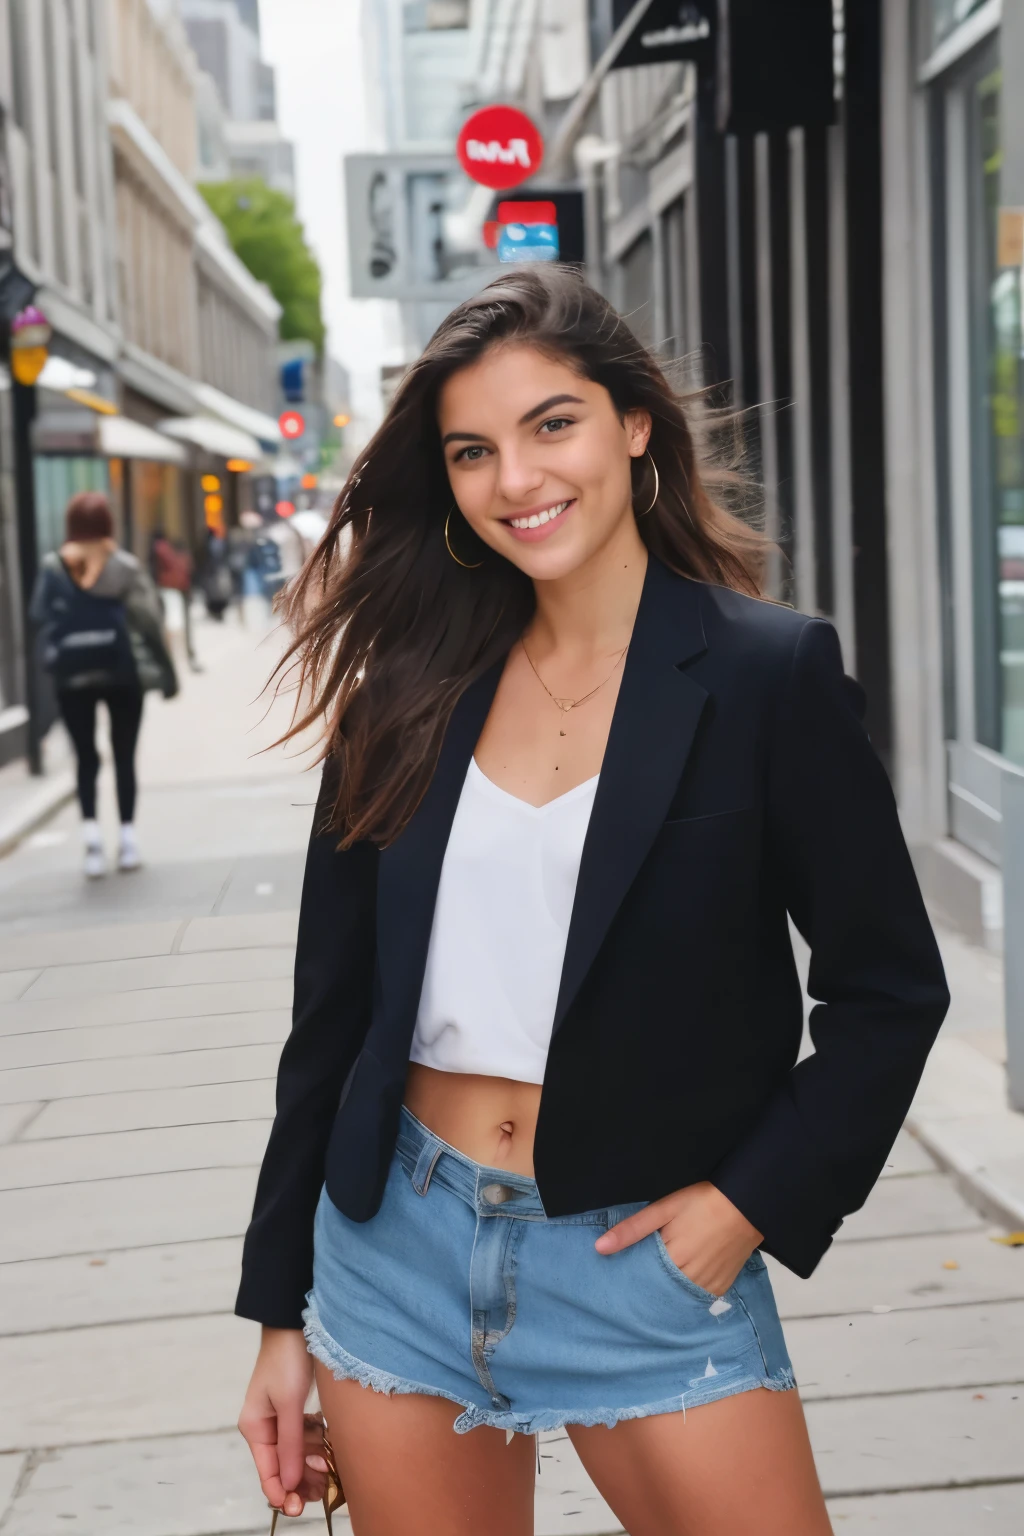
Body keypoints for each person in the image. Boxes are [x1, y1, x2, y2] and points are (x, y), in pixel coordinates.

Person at [235, 267, 949, 1536]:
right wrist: (278, 1312)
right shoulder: (408, 689)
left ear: (632, 425)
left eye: (550, 424)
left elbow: (888, 989)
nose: (515, 480)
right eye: (472, 450)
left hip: (643, 1260)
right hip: (395, 1246)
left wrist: (745, 1208)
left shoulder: (763, 674)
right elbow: (329, 1017)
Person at [31, 491, 177, 877]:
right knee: (124, 754)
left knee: (85, 757)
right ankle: (128, 840)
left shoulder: (53, 567)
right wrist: (168, 673)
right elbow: (148, 620)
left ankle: (92, 842)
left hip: (72, 674)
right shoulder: (124, 566)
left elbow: (38, 616)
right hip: (121, 670)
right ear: (108, 525)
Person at [150, 528, 201, 672]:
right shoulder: (169, 550)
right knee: (179, 623)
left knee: (173, 623)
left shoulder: (159, 549)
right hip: (179, 588)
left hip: (169, 588)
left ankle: (175, 657)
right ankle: (183, 657)